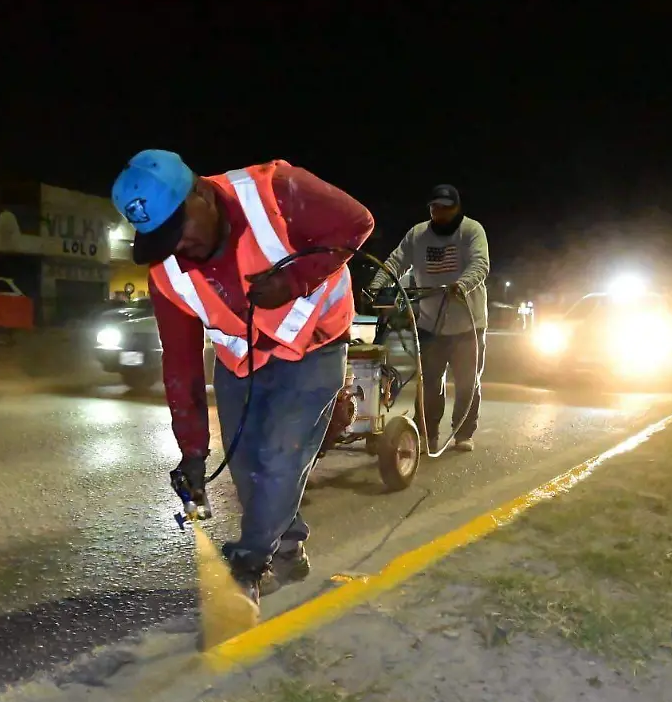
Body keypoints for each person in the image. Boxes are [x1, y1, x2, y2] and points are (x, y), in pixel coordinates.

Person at [111, 149, 374, 609]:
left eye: (178, 230)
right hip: (240, 361)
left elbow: (357, 222)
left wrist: (297, 281)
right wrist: (192, 451)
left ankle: (249, 566)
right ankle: (288, 549)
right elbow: (181, 361)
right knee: (248, 467)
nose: (176, 248)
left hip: (315, 346)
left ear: (201, 195)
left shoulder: (277, 191)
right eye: (160, 239)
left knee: (279, 459)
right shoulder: (167, 272)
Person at [367, 184, 489, 453]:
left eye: (446, 208)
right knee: (430, 381)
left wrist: (463, 284)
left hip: (467, 323)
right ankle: (427, 433)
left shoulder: (471, 231)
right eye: (435, 207)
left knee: (468, 381)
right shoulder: (418, 234)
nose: (440, 213)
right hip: (430, 322)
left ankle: (462, 432)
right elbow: (396, 261)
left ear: (457, 208)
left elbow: (480, 263)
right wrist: (378, 286)